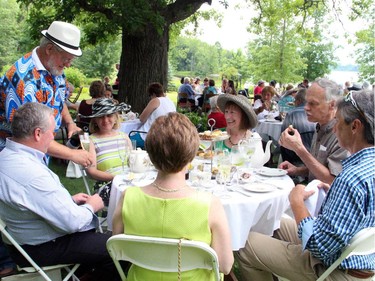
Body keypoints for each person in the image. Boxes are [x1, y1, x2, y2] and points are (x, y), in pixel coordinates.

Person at [235, 89, 375, 281]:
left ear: (355, 127)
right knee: (271, 219)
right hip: (356, 256)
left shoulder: (351, 178)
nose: (335, 129)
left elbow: (319, 246)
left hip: (334, 268)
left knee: (245, 244)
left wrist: (297, 202)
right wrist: (335, 192)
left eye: (339, 123)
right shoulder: (367, 167)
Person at [0, 102, 121, 281]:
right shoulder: (31, 174)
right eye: (53, 131)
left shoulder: (6, 157)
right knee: (121, 247)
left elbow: (29, 200)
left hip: (24, 240)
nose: (54, 137)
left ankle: (83, 273)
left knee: (104, 243)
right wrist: (92, 205)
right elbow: (73, 222)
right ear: (38, 133)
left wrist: (68, 200)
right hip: (43, 245)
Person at [112, 112, 234, 280]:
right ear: (192, 156)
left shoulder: (128, 197)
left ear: (151, 157)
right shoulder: (210, 205)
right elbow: (226, 265)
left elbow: (118, 250)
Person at [0, 21, 92, 167]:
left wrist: (70, 123)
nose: (68, 65)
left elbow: (59, 101)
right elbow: (31, 137)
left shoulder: (54, 68)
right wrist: (73, 154)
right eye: (66, 59)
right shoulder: (26, 82)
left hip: (39, 152)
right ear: (49, 49)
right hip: (16, 159)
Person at [279, 78, 349, 184]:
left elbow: (333, 181)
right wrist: (297, 170)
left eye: (313, 103)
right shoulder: (320, 126)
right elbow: (320, 167)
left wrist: (299, 149)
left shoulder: (343, 135)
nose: (306, 108)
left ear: (332, 105)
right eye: (306, 102)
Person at [82, 98, 133, 182]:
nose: (105, 120)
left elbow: (133, 162)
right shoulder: (89, 141)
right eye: (101, 117)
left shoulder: (124, 137)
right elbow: (91, 172)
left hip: (129, 180)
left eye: (109, 115)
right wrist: (117, 178)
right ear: (95, 120)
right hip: (107, 184)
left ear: (116, 118)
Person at [129, 82, 175, 149]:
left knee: (126, 139)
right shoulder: (171, 102)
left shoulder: (156, 101)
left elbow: (142, 118)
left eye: (150, 95)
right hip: (164, 137)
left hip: (147, 136)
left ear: (153, 94)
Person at [280, 88, 316, 167]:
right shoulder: (316, 114)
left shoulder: (291, 114)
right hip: (315, 156)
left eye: (295, 100)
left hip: (296, 157)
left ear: (298, 100)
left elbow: (283, 137)